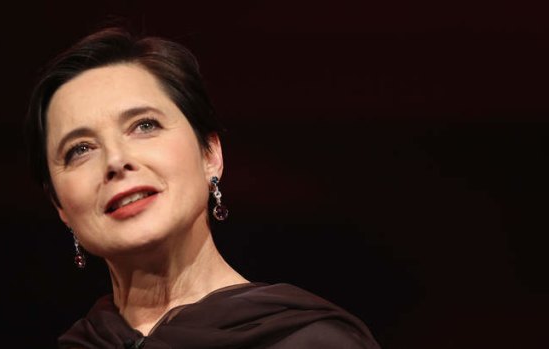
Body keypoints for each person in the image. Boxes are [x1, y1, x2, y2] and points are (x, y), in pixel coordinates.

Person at [26, 27, 381, 349]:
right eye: (80, 149)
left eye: (144, 125)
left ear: (210, 154)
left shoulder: (310, 342)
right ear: (59, 205)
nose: (116, 161)